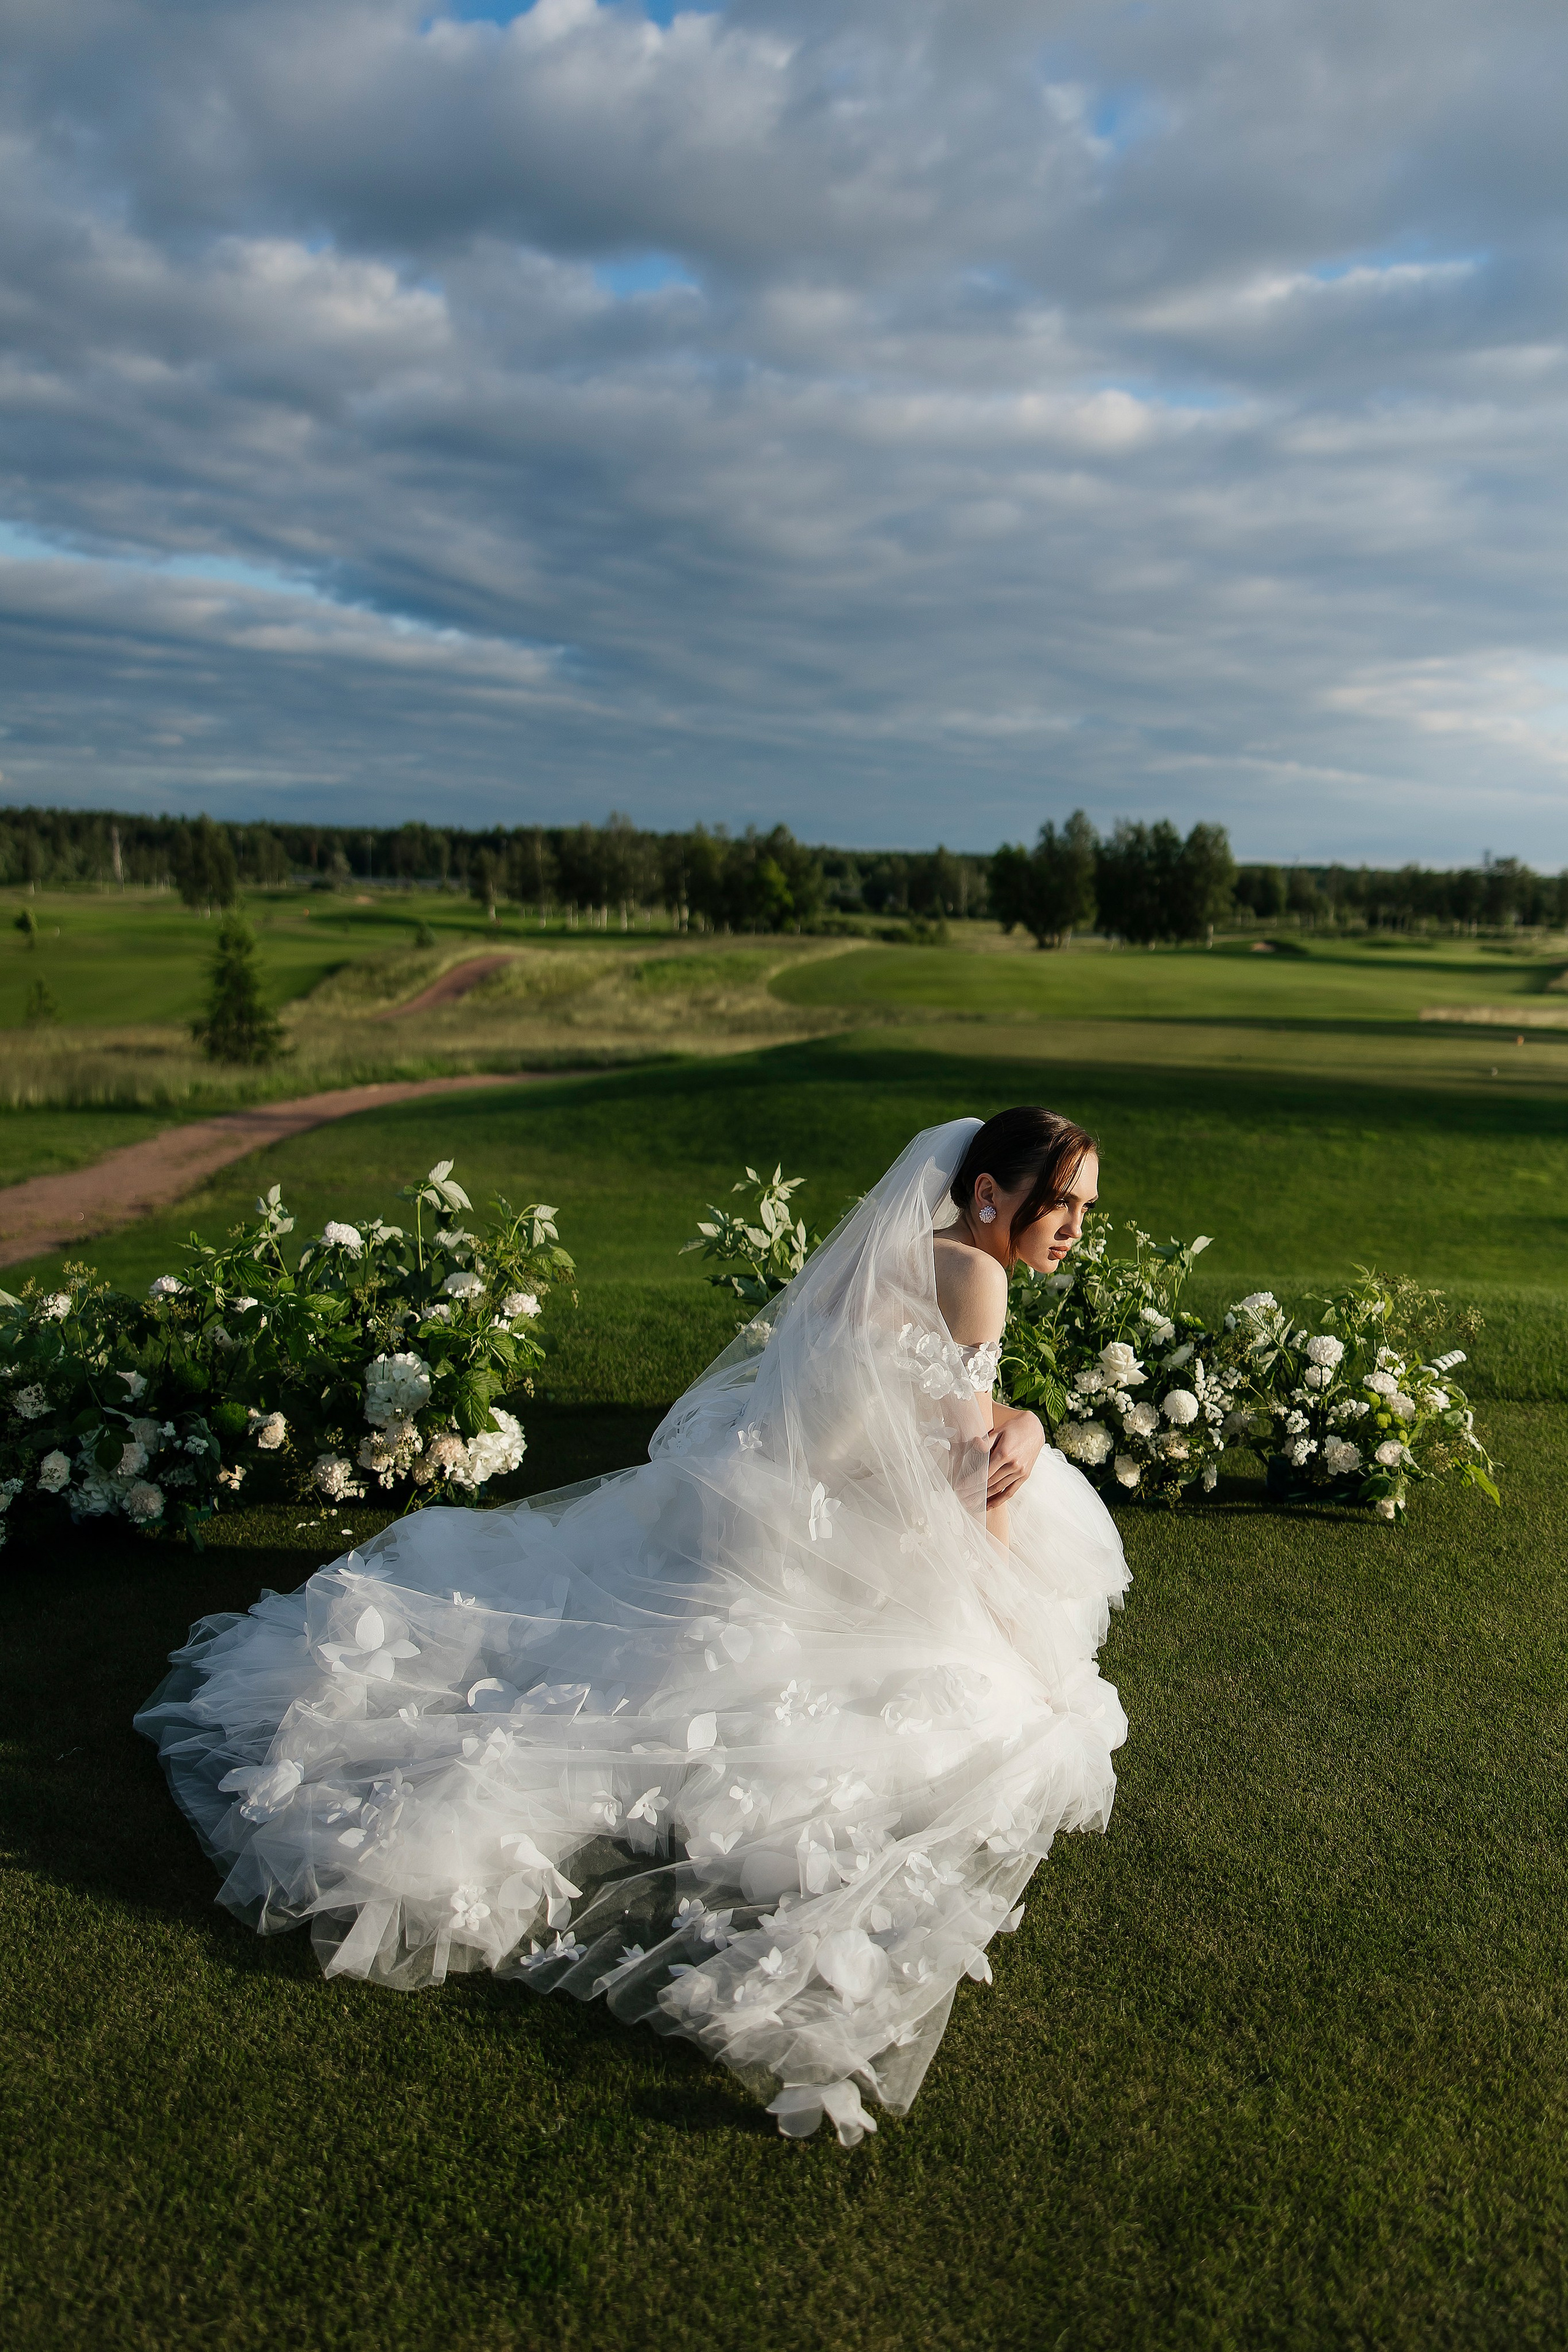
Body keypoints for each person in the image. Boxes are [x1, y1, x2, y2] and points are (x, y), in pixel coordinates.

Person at [137, 1110, 1128, 2147]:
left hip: (758, 1491)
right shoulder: (977, 1275)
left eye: (1085, 1209)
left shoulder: (917, 1251)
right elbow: (970, 1475)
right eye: (1061, 1203)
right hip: (817, 1525)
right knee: (996, 1667)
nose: (1074, 1229)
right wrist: (1008, 1615)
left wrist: (1017, 1423)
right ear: (987, 1194)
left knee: (1019, 1483)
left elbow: (921, 1403)